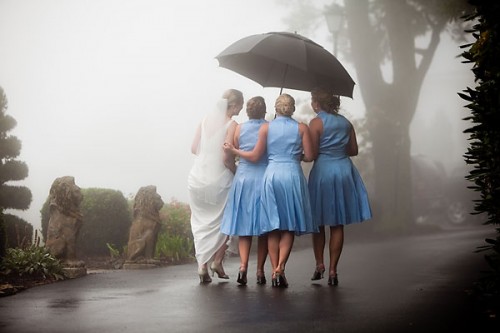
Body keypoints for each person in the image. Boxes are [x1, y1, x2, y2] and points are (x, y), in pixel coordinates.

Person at [224, 93, 316, 288]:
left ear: (276, 108)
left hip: (271, 175)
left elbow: (258, 153)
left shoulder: (266, 127)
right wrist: (295, 155)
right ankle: (279, 268)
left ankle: (271, 268)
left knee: (273, 226)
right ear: (292, 109)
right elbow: (310, 155)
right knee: (288, 225)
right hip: (291, 175)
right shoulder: (301, 128)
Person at [307, 87, 372, 286]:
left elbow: (313, 153)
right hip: (344, 170)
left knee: (318, 221)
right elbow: (353, 150)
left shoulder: (316, 122)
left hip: (324, 172)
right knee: (338, 223)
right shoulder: (346, 123)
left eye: (312, 101)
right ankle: (334, 270)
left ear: (317, 103)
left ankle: (319, 264)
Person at [188, 88, 244, 283]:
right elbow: (226, 157)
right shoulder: (232, 124)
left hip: (197, 178)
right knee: (226, 218)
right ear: (235, 105)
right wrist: (237, 171)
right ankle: (217, 261)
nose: (241, 109)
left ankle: (202, 265)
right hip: (219, 179)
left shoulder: (204, 120)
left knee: (201, 222)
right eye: (241, 105)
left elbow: (194, 148)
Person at [220, 96, 269, 286]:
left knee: (244, 228)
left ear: (248, 112)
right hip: (264, 177)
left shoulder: (239, 128)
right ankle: (260, 271)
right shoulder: (269, 127)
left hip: (243, 177)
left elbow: (227, 156)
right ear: (264, 111)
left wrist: (236, 170)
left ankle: (242, 267)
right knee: (264, 228)